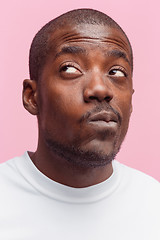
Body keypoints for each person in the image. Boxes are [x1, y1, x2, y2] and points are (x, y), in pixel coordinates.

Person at [0, 8, 160, 240]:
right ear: (32, 96)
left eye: (116, 72)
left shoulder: (153, 207)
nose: (101, 89)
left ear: (132, 99)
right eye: (70, 69)